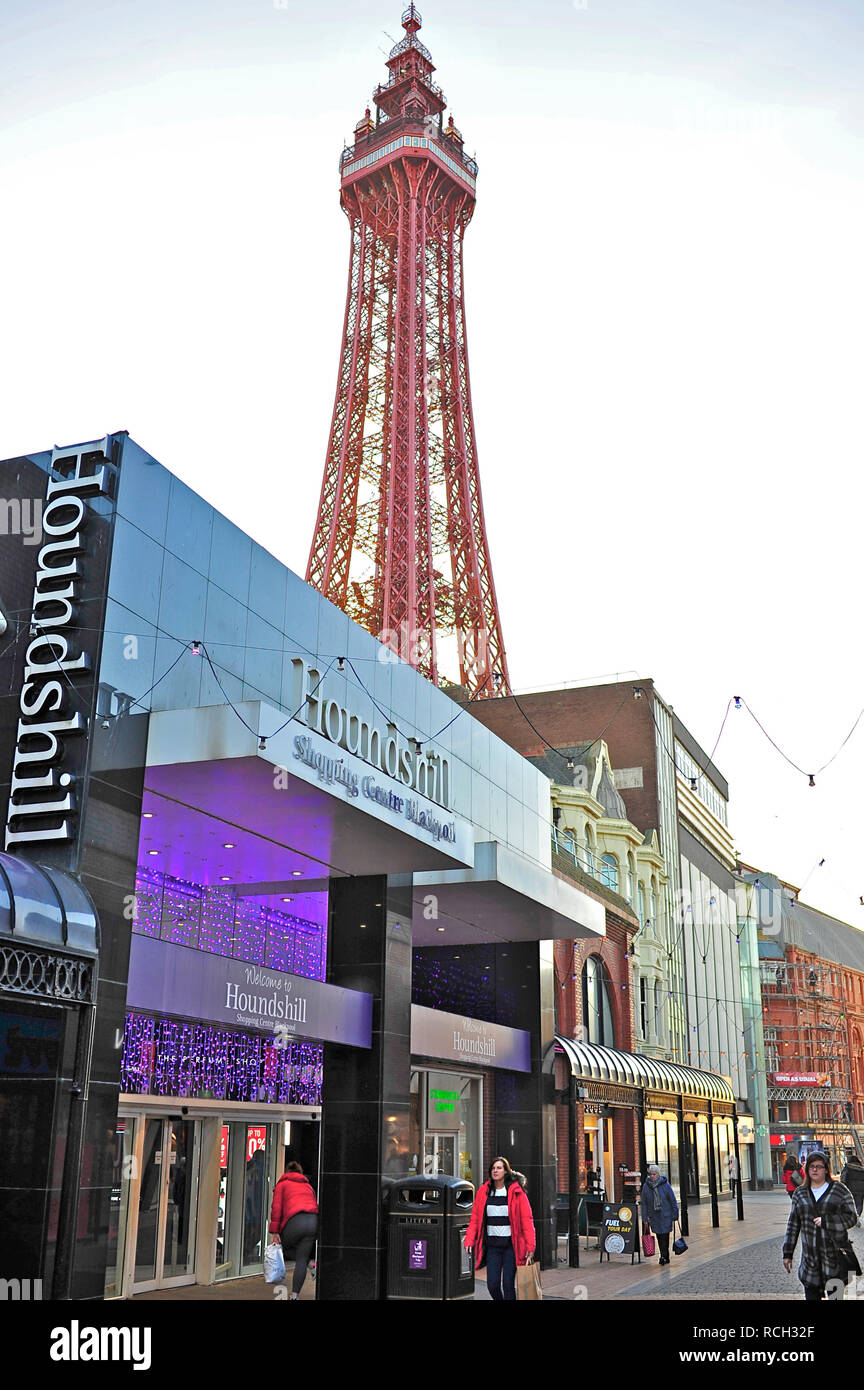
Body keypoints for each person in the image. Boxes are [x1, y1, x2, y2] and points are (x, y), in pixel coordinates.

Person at [782, 1151, 858, 1301]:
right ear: (807, 1169)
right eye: (811, 1167)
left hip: (834, 1260)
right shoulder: (800, 1193)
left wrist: (828, 1222)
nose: (815, 1170)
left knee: (836, 1298)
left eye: (819, 1166)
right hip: (810, 1263)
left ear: (826, 1169)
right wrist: (787, 1253)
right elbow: (793, 1225)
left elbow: (852, 1218)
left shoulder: (839, 1190)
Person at [464, 1156, 536, 1301]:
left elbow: (526, 1220)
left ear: (505, 1171)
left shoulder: (516, 1192)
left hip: (511, 1247)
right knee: (492, 1285)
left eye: (499, 1168)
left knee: (508, 1284)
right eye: (493, 1168)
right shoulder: (484, 1191)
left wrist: (530, 1246)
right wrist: (469, 1239)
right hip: (492, 1247)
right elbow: (476, 1218)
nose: (495, 1171)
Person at [269, 1161, 318, 1300]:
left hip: (296, 1221)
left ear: (287, 1172)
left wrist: (275, 1232)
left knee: (281, 1248)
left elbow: (276, 1208)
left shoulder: (282, 1184)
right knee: (301, 1259)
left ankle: (309, 1264)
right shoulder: (307, 1185)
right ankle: (295, 1295)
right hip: (313, 1221)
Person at [640, 1164, 679, 1266]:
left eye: (654, 1174)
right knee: (658, 1236)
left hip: (665, 1215)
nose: (652, 1176)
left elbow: (672, 1200)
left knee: (665, 1236)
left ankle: (664, 1256)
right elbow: (644, 1203)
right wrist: (645, 1218)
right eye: (650, 1174)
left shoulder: (665, 1185)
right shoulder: (646, 1186)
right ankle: (664, 1255)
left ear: (658, 1174)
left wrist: (675, 1214)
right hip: (654, 1216)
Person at [840, 1152, 864, 1220]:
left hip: (850, 1189)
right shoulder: (862, 1168)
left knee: (850, 1203)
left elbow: (843, 1178)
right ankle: (857, 1216)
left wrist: (843, 1186)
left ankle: (852, 1216)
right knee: (859, 1204)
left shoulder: (847, 1167)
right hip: (861, 1190)